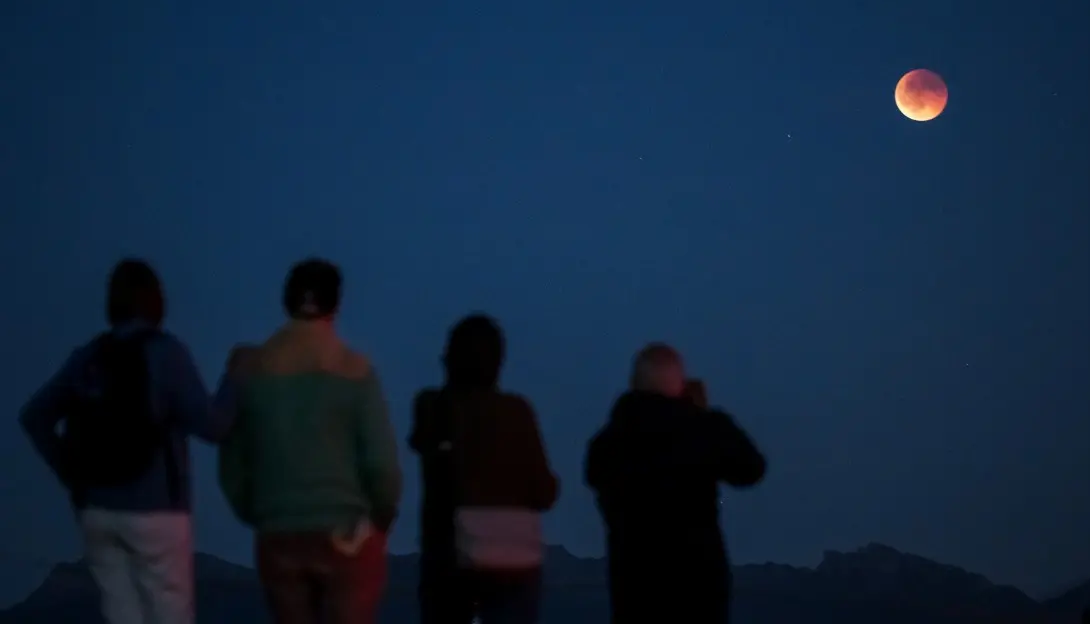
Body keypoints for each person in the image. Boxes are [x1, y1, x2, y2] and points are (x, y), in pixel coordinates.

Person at [18, 257, 238, 624]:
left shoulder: (88, 358)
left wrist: (72, 477)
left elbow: (34, 417)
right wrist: (237, 379)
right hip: (156, 510)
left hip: (98, 510)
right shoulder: (164, 353)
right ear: (156, 301)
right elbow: (213, 427)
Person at [218, 257, 402, 624]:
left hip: (278, 531)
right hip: (344, 533)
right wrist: (380, 520)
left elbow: (232, 460)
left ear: (287, 302)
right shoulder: (356, 371)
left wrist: (259, 512)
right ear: (336, 303)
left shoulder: (253, 372)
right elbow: (382, 468)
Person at [585, 343, 767, 624]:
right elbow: (751, 468)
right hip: (699, 584)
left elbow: (594, 474)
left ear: (634, 383)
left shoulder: (610, 441)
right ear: (679, 383)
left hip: (635, 586)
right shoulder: (703, 428)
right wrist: (701, 415)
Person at [408, 313, 559, 624]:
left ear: (450, 358)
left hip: (448, 558)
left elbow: (423, 443)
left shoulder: (433, 406)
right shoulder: (518, 412)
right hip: (513, 558)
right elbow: (544, 492)